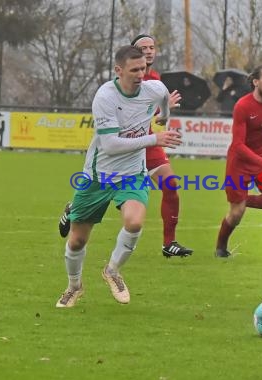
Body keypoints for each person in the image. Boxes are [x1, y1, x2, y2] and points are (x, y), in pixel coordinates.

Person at [56, 45, 182, 308]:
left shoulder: (154, 89)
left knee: (135, 222)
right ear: (118, 70)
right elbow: (111, 145)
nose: (140, 74)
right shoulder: (105, 97)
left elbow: (163, 106)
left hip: (133, 174)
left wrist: (163, 118)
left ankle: (112, 270)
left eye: (143, 69)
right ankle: (74, 286)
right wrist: (155, 138)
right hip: (98, 175)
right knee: (78, 239)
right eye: (134, 70)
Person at [214, 64, 262, 258]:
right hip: (239, 163)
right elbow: (238, 146)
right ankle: (220, 248)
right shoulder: (243, 106)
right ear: (256, 82)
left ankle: (242, 201)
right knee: (236, 215)